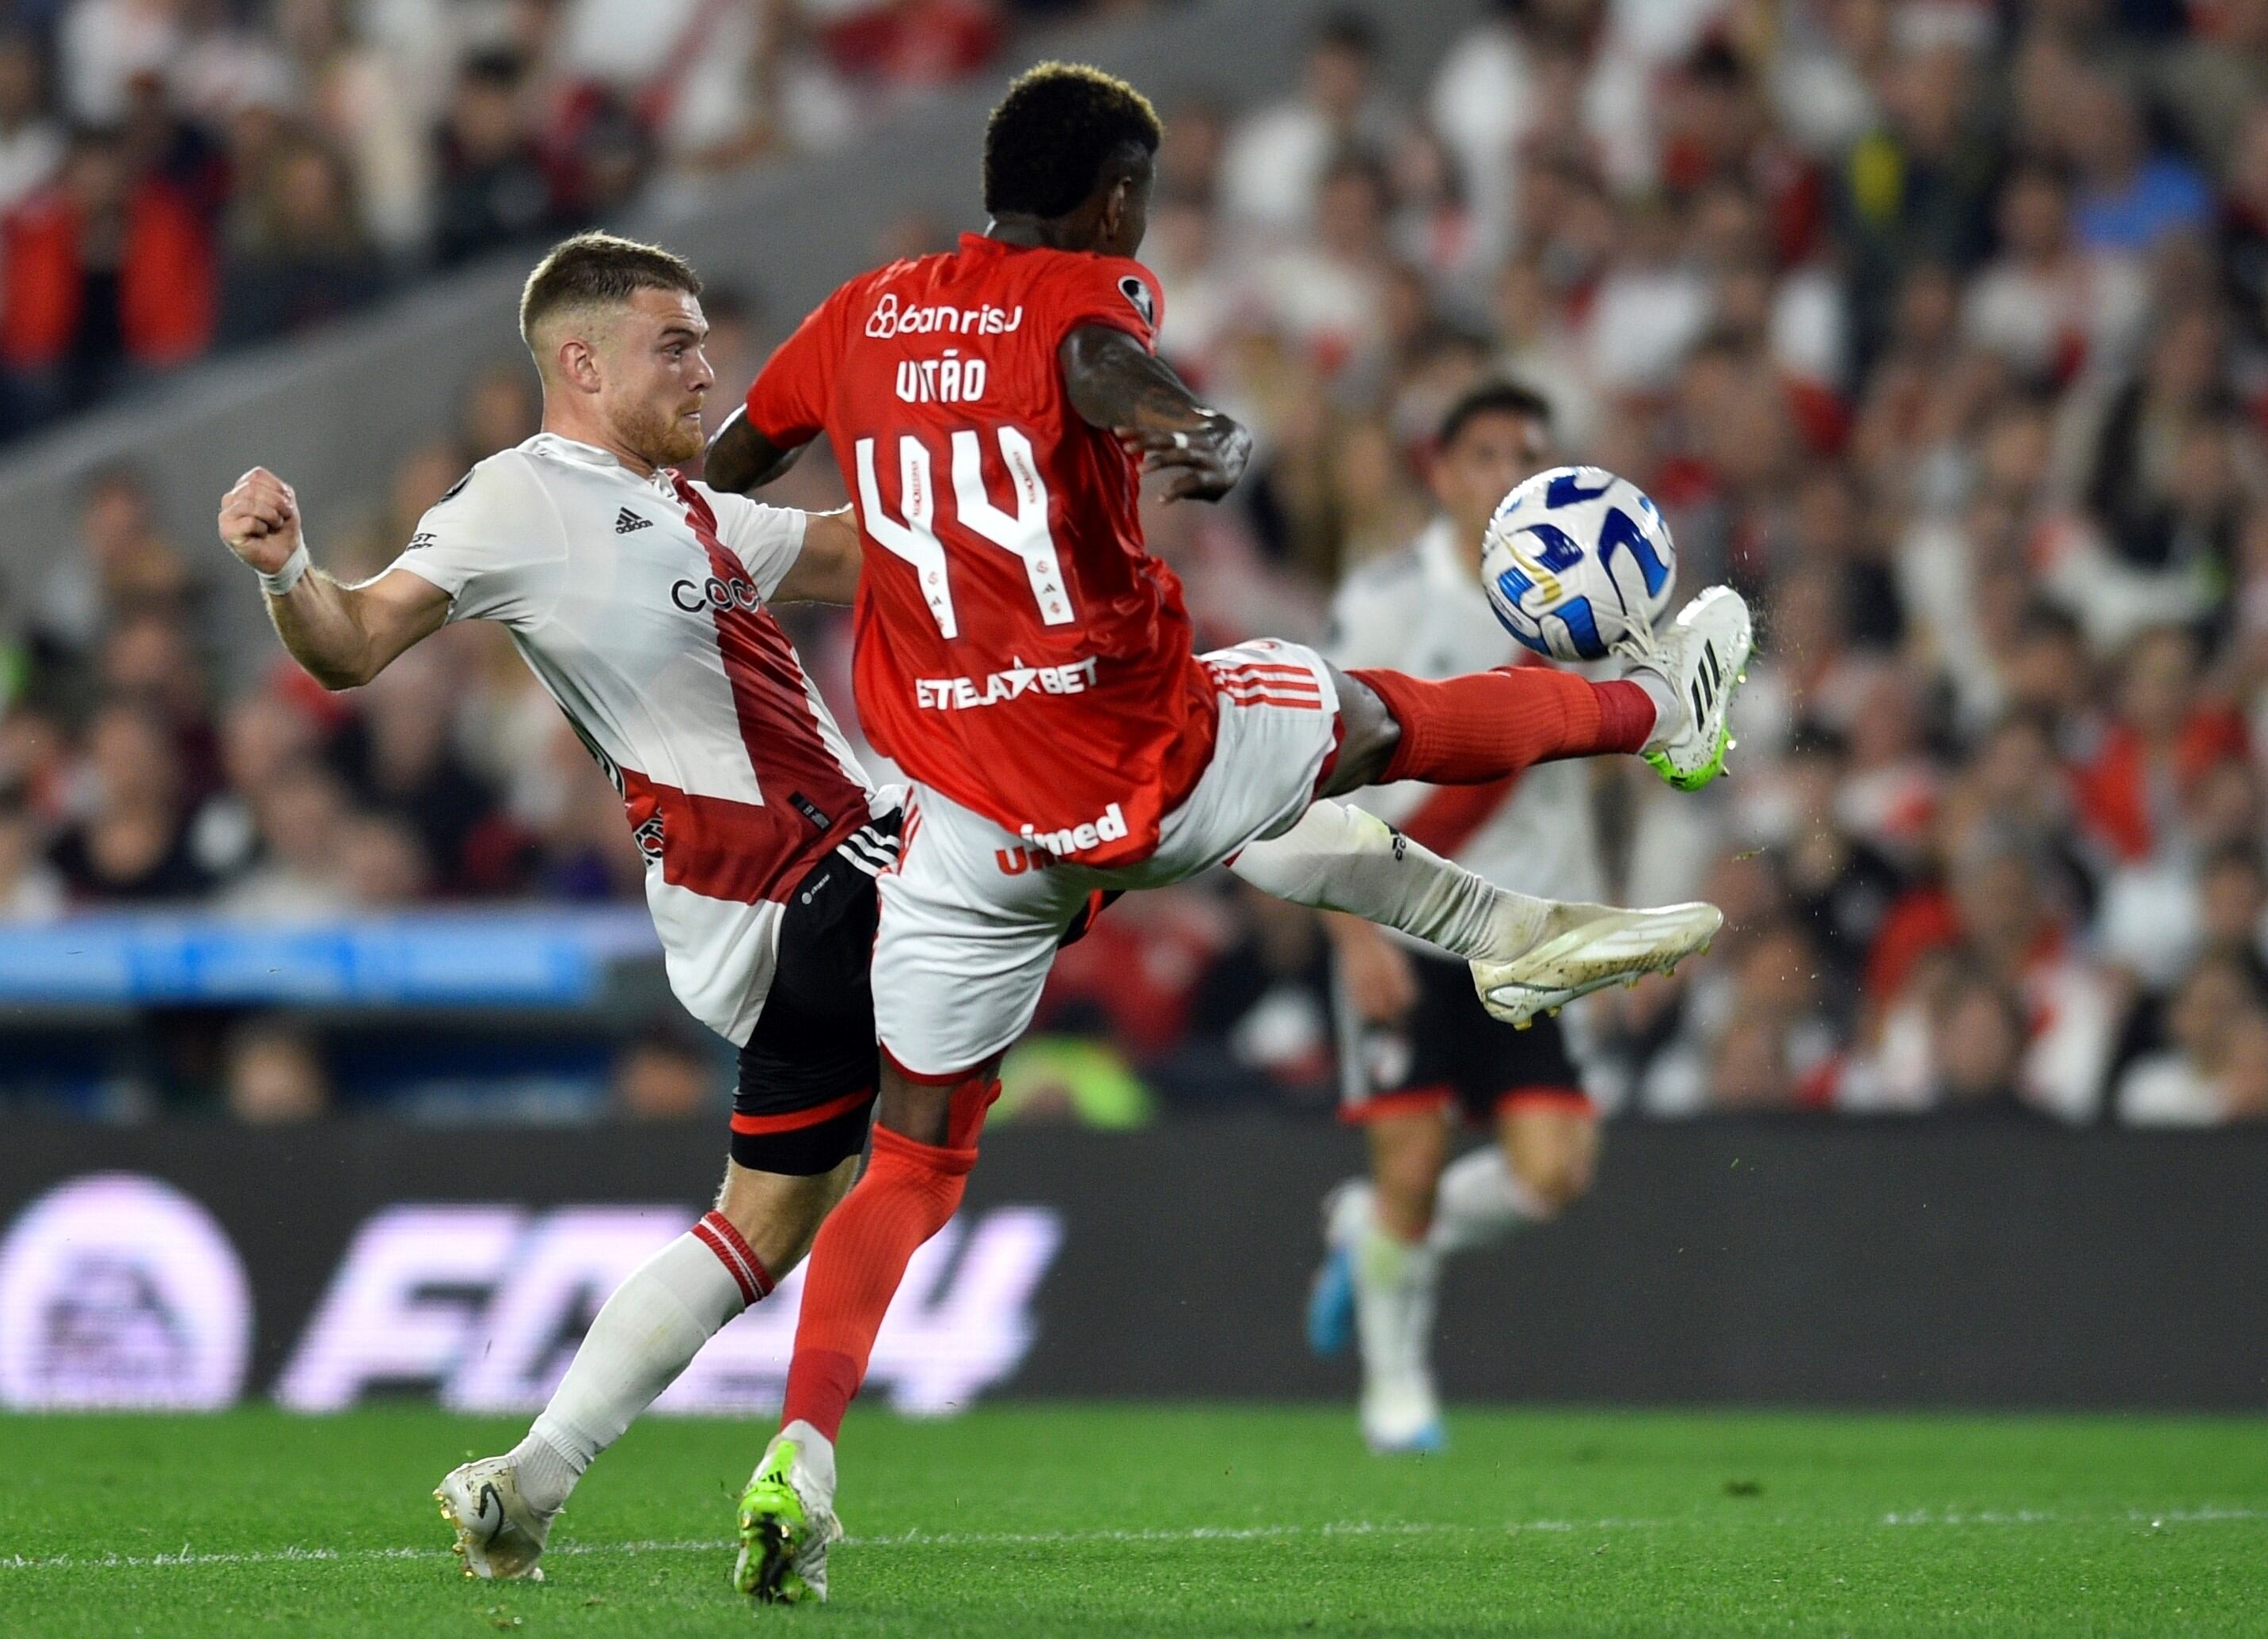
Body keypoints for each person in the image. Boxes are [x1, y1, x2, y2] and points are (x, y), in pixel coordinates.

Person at [223, 229, 1720, 1594]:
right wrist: (293, 568)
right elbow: (355, 643)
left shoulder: (678, 511)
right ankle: (1518, 901)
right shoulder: (516, 502)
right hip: (819, 880)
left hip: (785, 916)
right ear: (582, 362)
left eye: (704, 339)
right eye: (676, 344)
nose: (707, 367)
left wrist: (1021, 513)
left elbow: (862, 555)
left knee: (764, 1217)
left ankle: (526, 1484)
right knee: (1172, 766)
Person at [703, 63, 1753, 1601]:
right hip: (1137, 757)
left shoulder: (857, 316)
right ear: (1115, 195)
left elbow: (733, 461)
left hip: (965, 827)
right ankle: (1669, 713)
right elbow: (1087, 356)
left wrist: (680, 531)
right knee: (1373, 718)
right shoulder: (1080, 286)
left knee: (912, 1165)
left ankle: (803, 1443)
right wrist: (1190, 423)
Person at [1302, 379, 1627, 1453]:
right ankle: (1396, 1387)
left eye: (1522, 457)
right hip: (1405, 927)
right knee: (1409, 1165)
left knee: (1556, 1173)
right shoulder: (1389, 597)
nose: (1502, 475)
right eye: (1483, 455)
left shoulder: (1588, 605)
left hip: (1528, 933)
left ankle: (1374, 1237)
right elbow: (1321, 772)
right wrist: (1348, 931)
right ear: (1440, 471)